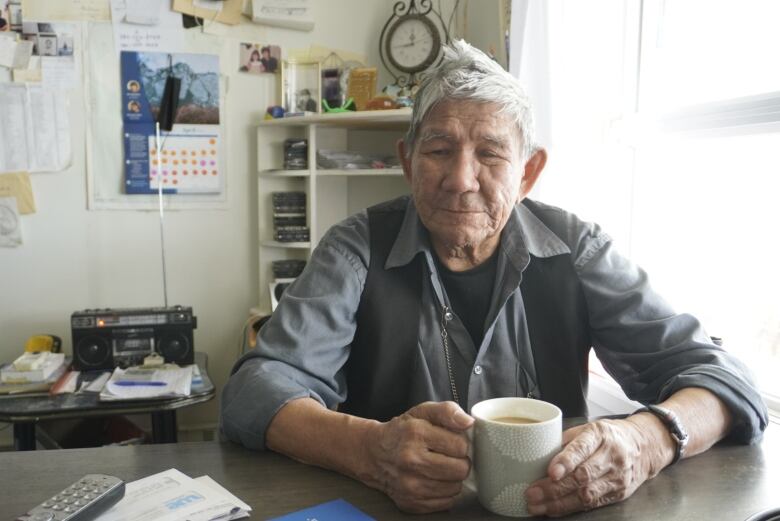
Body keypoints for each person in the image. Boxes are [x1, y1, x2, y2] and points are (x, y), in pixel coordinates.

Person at [221, 40, 767, 516]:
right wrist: (370, 450)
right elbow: (253, 391)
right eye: (439, 150)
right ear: (409, 163)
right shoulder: (356, 248)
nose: (462, 179)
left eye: (490, 154)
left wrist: (647, 440)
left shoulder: (575, 248)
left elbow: (725, 380)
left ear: (528, 171)